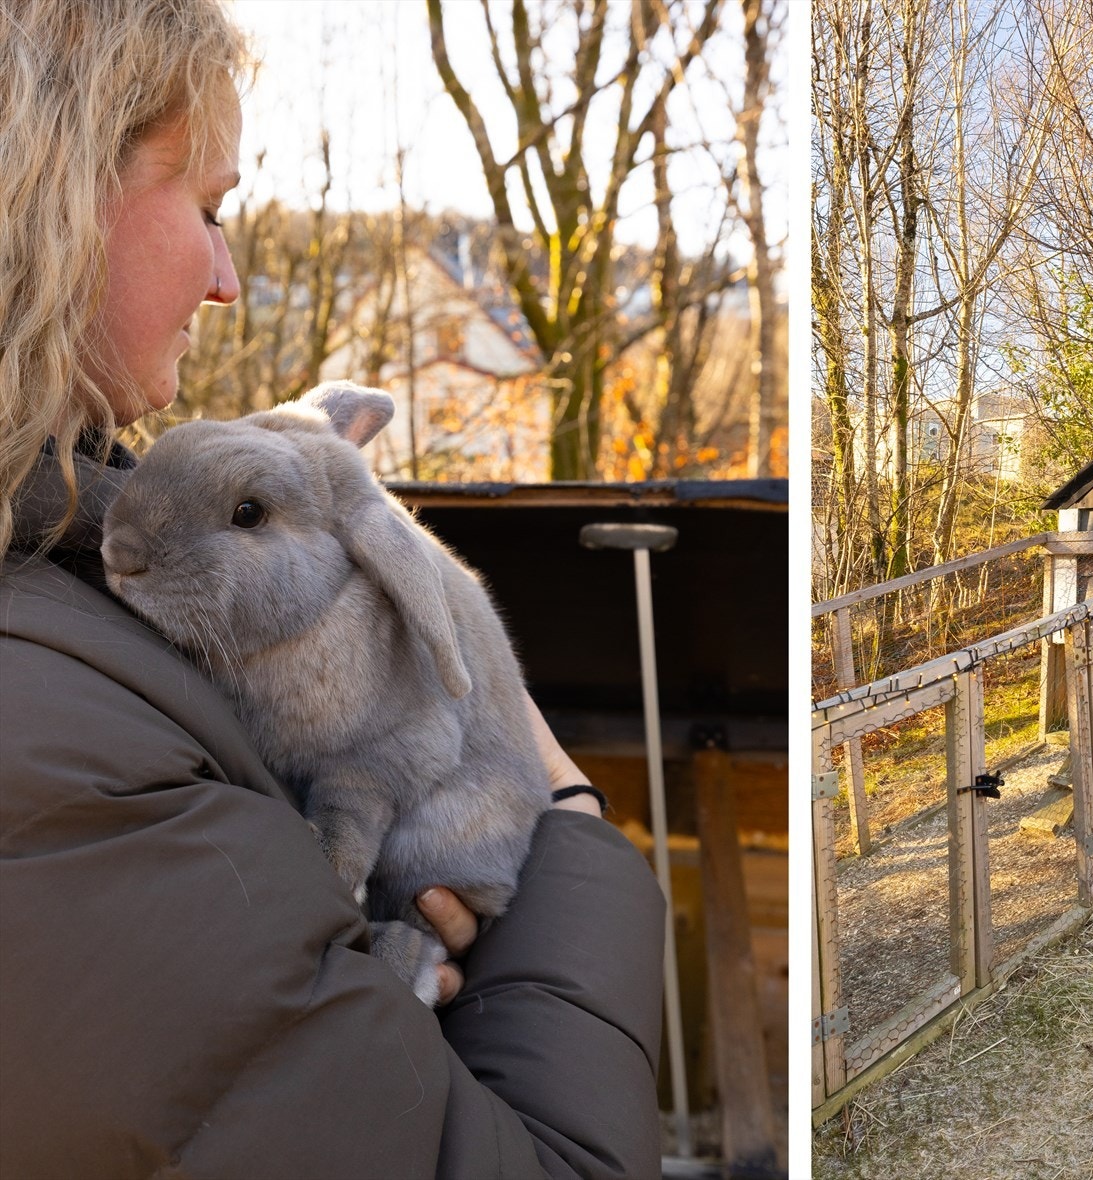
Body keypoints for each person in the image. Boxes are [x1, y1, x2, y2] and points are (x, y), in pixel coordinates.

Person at [0, 3, 663, 1176]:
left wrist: (346, 959)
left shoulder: (78, 570)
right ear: (47, 195)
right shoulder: (48, 743)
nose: (227, 280)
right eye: (206, 209)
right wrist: (560, 804)